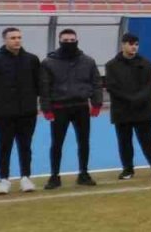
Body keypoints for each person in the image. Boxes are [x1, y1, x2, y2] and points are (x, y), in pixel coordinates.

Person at [0, 27, 41, 195]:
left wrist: (30, 100)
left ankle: (26, 178)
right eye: (13, 37)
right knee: (4, 147)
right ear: (4, 40)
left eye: (19, 37)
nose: (17, 40)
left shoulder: (32, 60)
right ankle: (4, 180)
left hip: (27, 113)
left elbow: (38, 84)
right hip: (3, 114)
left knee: (25, 146)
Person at [40, 28, 103, 189]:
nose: (69, 43)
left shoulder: (87, 61)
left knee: (84, 142)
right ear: (59, 41)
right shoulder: (48, 62)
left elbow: (96, 83)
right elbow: (44, 87)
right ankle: (54, 176)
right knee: (57, 144)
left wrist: (96, 103)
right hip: (59, 108)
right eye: (65, 40)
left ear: (77, 41)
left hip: (81, 107)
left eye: (72, 40)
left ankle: (83, 174)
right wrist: (46, 108)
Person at [104, 33, 151, 180]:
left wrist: (139, 98)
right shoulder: (111, 65)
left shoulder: (146, 63)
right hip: (122, 109)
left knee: (147, 141)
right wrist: (129, 99)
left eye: (136, 44)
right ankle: (127, 170)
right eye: (131, 44)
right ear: (123, 45)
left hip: (143, 108)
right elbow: (112, 87)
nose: (134, 47)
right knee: (124, 141)